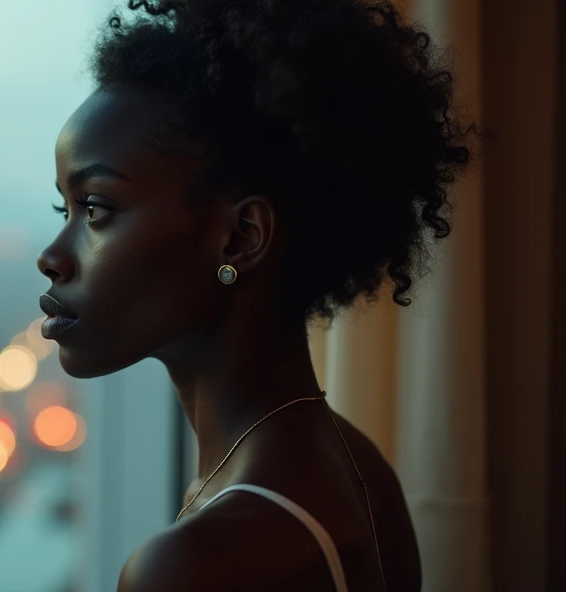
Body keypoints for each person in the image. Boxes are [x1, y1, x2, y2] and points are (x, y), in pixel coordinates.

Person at [35, 0, 475, 590]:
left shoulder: (195, 565)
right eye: (66, 208)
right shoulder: (359, 469)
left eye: (96, 209)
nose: (53, 256)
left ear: (241, 238)